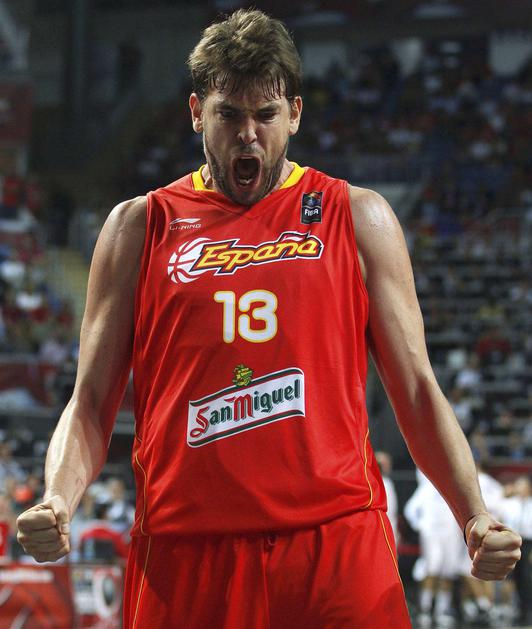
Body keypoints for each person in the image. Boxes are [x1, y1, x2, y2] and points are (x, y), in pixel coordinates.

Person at [16, 9, 521, 629]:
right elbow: (91, 400)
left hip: (335, 543)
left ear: (296, 114)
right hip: (186, 549)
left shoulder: (357, 216)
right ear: (197, 113)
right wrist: (58, 498)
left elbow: (416, 387)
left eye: (266, 114)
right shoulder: (138, 227)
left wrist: (474, 514)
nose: (248, 135)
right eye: (229, 114)